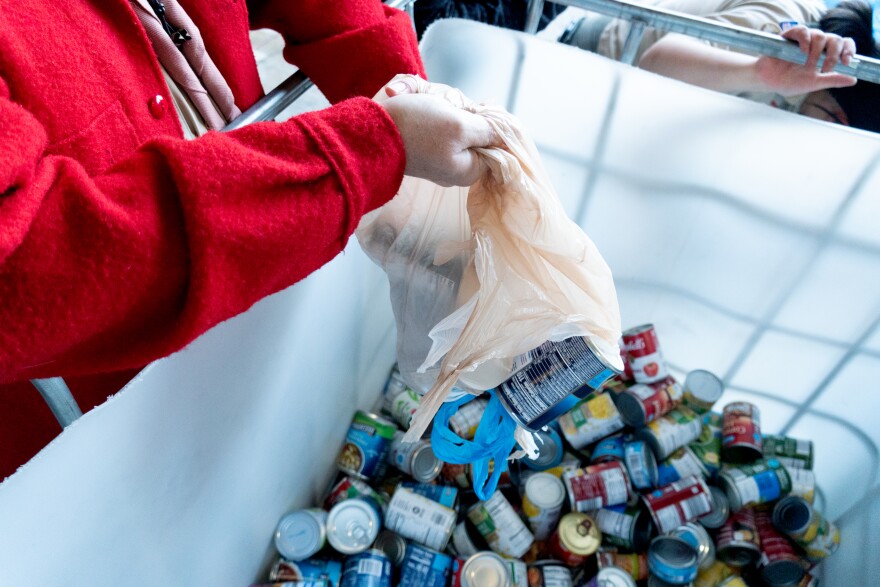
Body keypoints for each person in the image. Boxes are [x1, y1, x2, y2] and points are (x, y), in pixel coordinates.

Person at [0, 0, 496, 477]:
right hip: (98, 416)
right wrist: (363, 151)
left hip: (257, 272)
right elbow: (26, 261)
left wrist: (396, 78)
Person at [542, 0, 880, 132]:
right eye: (833, 124)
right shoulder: (782, 27)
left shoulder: (813, 95)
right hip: (577, 55)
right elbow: (655, 64)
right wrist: (758, 71)